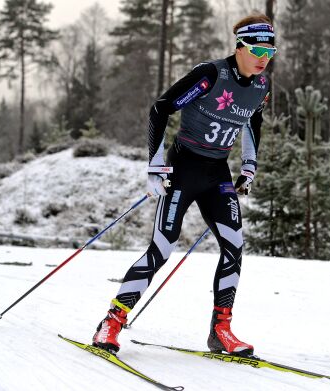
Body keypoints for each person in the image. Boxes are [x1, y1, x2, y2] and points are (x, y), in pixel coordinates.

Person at [92, 13, 276, 357]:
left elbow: (252, 124)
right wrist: (155, 166)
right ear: (240, 47)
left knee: (234, 247)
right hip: (183, 167)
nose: (264, 61)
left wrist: (248, 167)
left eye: (270, 54)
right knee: (161, 249)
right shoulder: (210, 75)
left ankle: (221, 331)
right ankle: (112, 321)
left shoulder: (261, 87)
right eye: (258, 52)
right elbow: (161, 108)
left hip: (217, 173)